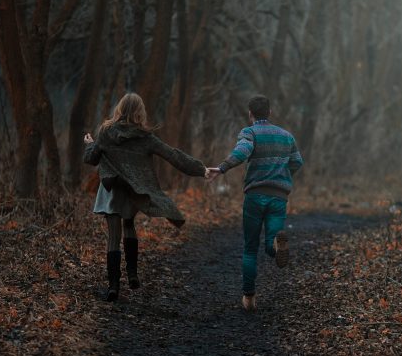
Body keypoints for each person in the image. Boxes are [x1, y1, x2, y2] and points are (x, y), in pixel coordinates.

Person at [84, 92, 208, 301]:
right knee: (129, 226)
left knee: (113, 237)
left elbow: (91, 159)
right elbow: (173, 155)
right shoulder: (145, 137)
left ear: (120, 109)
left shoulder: (106, 132)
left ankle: (113, 287)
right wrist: (202, 169)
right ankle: (132, 274)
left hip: (111, 189)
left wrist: (89, 143)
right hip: (134, 190)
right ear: (140, 112)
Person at [208, 95, 303, 311]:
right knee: (271, 242)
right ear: (270, 112)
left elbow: (242, 152)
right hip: (278, 196)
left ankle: (249, 298)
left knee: (250, 248)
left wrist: (222, 168)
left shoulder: (249, 132)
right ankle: (276, 246)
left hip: (255, 196)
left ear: (250, 114)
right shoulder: (286, 136)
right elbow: (297, 161)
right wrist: (282, 175)